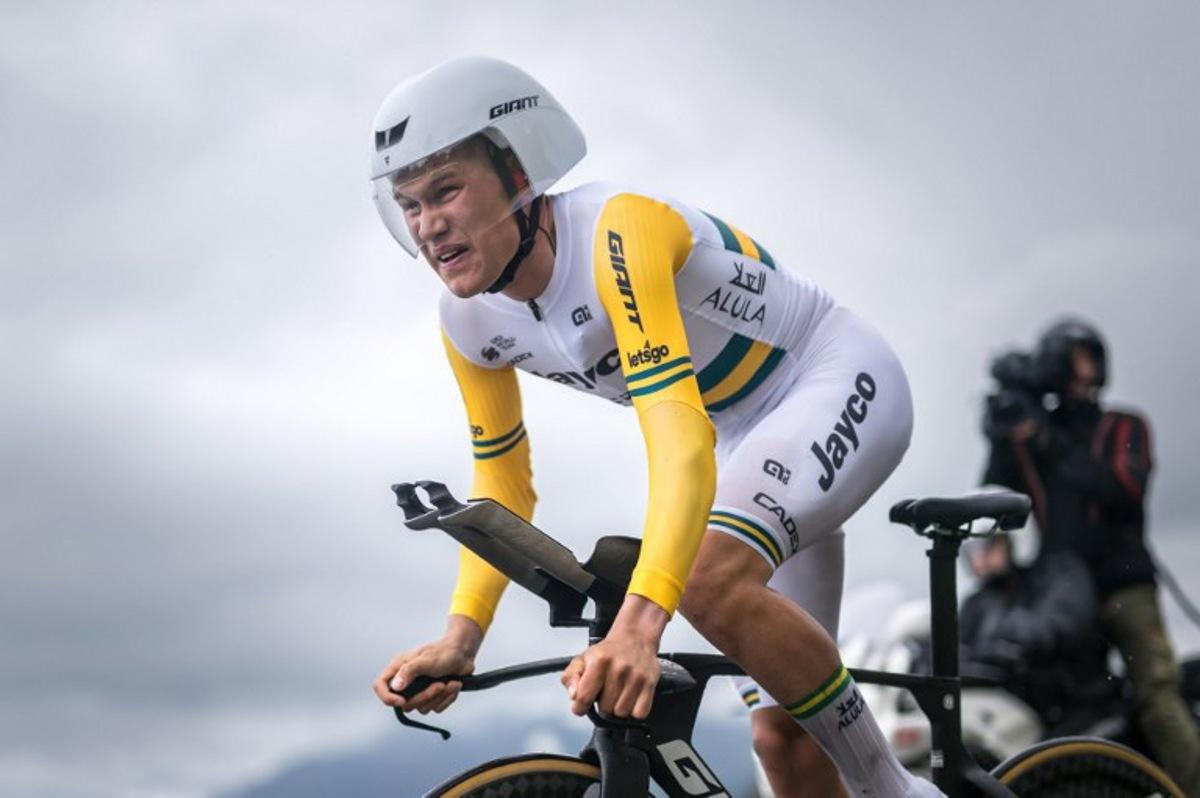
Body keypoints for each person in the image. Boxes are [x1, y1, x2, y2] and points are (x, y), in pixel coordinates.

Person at [369, 56, 941, 798]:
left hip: (828, 377)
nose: (428, 224)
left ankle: (899, 791)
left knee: (702, 581)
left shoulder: (618, 231)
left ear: (518, 175)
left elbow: (678, 433)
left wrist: (641, 626)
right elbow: (503, 482)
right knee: (783, 741)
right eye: (410, 205)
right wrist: (461, 638)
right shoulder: (468, 321)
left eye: (446, 190)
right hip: (746, 438)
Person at [981, 319, 1200, 794]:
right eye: (1073, 356)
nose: (1082, 368)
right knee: (1062, 703)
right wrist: (1002, 435)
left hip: (1126, 586)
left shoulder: (1125, 425)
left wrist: (1045, 438)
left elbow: (1123, 487)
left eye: (1087, 355)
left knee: (1155, 693)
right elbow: (995, 494)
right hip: (1063, 592)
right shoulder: (1036, 433)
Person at [958, 533, 1116, 737]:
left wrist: (1017, 638)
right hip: (1016, 710)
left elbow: (1062, 620)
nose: (980, 557)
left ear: (1016, 541)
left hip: (1075, 705)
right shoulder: (977, 603)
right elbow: (958, 643)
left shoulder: (1058, 574)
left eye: (989, 545)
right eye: (973, 549)